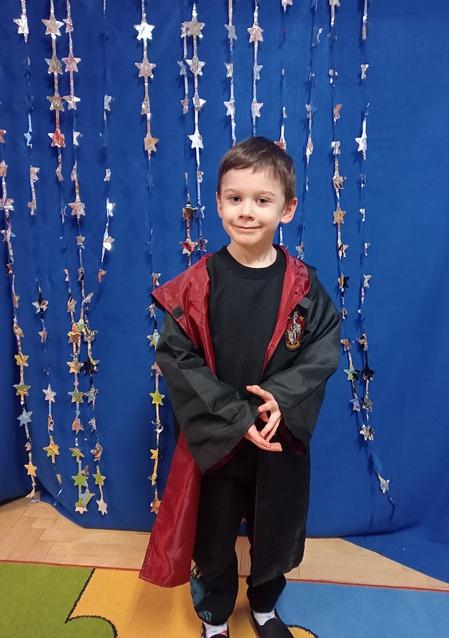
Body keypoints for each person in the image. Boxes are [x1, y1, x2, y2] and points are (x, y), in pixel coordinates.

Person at [139, 137, 340, 638]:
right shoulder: (197, 284)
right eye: (234, 198)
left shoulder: (304, 287)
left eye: (261, 199)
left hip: (276, 437)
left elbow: (322, 349)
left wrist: (282, 399)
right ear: (219, 202)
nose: (246, 211)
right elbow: (177, 358)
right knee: (213, 538)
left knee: (276, 531)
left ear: (287, 209)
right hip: (219, 443)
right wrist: (235, 415)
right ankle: (214, 619)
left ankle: (265, 608)